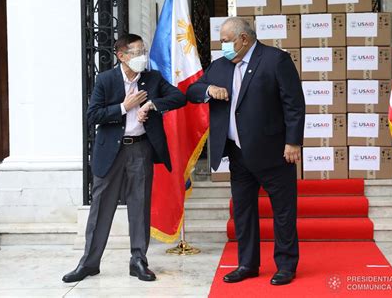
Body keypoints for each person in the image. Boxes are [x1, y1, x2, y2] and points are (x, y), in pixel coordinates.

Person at [187, 17, 305, 286]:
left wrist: (293, 142)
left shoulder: (275, 60)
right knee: (243, 211)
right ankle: (247, 264)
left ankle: (286, 265)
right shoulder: (220, 66)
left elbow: (294, 104)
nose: (222, 45)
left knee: (283, 212)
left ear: (243, 39)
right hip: (238, 155)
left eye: (226, 40)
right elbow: (192, 91)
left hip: (274, 152)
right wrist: (209, 89)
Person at [62, 34, 186, 283]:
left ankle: (138, 260)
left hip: (140, 150)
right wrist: (123, 106)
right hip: (111, 152)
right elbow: (92, 115)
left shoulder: (152, 79)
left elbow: (179, 98)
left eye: (144, 51)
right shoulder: (106, 80)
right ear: (122, 56)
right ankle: (89, 262)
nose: (143, 57)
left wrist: (150, 104)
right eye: (137, 52)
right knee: (101, 208)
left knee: (140, 207)